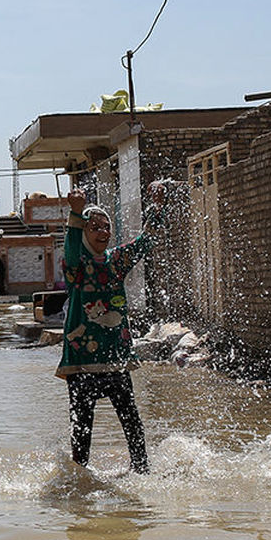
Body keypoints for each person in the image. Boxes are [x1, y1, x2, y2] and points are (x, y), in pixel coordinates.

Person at [56, 185, 165, 474]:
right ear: (83, 233)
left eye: (106, 227)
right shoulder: (76, 266)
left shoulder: (116, 261)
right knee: (82, 428)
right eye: (95, 228)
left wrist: (156, 207)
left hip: (116, 357)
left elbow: (145, 242)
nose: (102, 233)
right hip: (81, 363)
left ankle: (141, 473)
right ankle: (80, 480)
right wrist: (76, 213)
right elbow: (69, 250)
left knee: (132, 421)